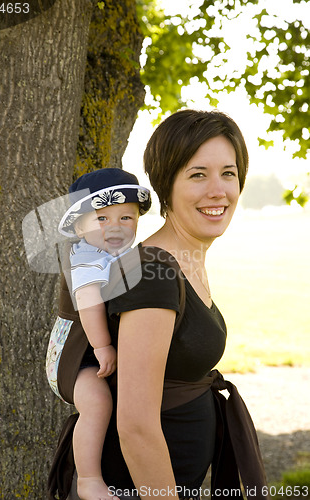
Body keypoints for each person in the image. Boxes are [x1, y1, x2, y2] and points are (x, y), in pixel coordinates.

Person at [48, 110, 269, 500]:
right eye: (198, 174)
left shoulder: (183, 263)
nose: (218, 190)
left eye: (229, 173)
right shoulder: (151, 269)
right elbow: (135, 425)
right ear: (166, 185)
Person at [45, 168, 151, 500]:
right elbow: (89, 304)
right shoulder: (85, 255)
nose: (116, 226)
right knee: (98, 401)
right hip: (76, 353)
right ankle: (89, 479)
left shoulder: (120, 253)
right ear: (79, 227)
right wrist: (103, 345)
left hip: (90, 349)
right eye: (102, 219)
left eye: (126, 217)